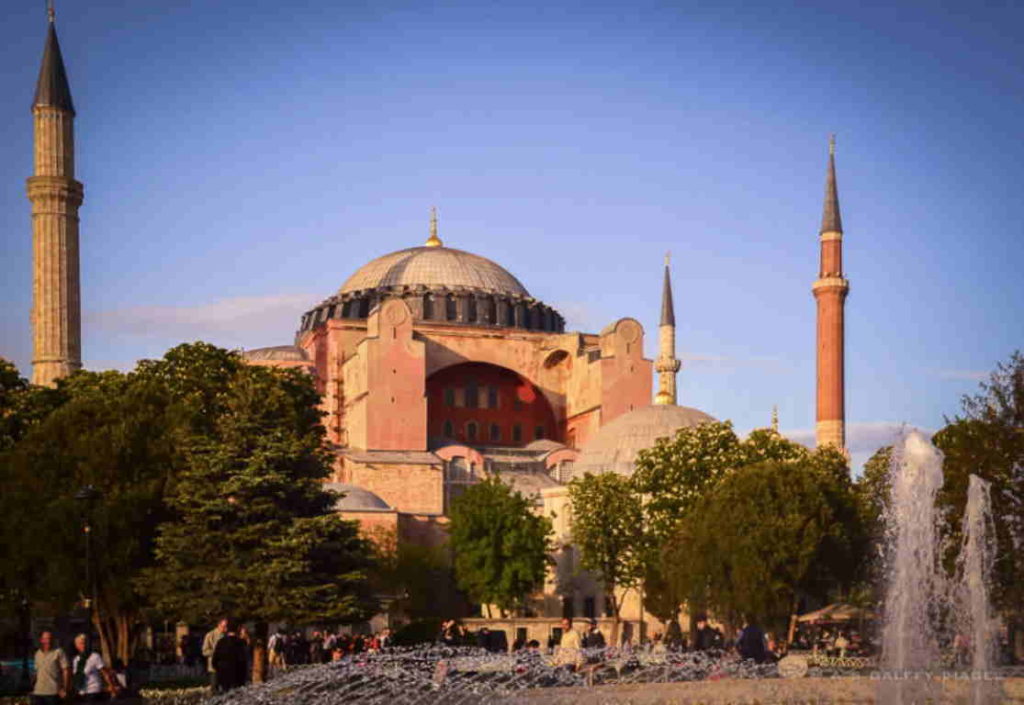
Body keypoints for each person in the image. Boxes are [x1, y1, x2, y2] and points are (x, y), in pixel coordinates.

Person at [71, 633, 119, 701]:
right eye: (80, 644)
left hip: (93, 691)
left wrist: (111, 687)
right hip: (82, 692)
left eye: (84, 643)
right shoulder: (76, 659)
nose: (83, 646)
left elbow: (104, 673)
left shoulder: (95, 656)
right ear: (76, 646)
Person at [31, 630, 70, 705]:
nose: (48, 641)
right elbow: (36, 672)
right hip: (38, 692)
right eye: (46, 639)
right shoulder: (37, 653)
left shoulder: (59, 652)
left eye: (50, 638)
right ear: (41, 640)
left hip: (53, 692)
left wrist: (65, 689)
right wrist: (32, 686)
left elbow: (66, 671)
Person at [211, 620, 249, 692]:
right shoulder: (240, 643)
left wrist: (218, 669)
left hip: (223, 674)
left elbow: (215, 659)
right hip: (237, 674)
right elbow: (243, 660)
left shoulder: (221, 642)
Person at [202, 618, 227, 690]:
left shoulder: (226, 636)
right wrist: (216, 652)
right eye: (224, 626)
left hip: (225, 667)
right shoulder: (210, 635)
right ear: (219, 625)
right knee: (214, 688)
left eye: (226, 626)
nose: (225, 628)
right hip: (214, 668)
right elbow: (205, 651)